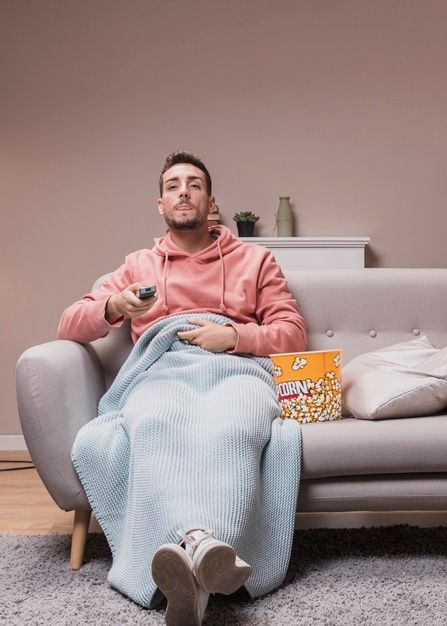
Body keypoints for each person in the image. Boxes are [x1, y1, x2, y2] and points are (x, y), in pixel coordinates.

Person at [59, 150, 307, 626]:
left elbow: (292, 331)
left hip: (239, 371)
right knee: (153, 424)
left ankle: (189, 563)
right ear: (160, 203)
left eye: (194, 184)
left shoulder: (255, 259)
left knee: (236, 429)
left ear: (211, 200)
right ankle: (203, 552)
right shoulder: (138, 264)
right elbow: (69, 324)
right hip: (163, 368)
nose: (184, 192)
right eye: (173, 185)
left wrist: (234, 336)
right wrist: (115, 305)